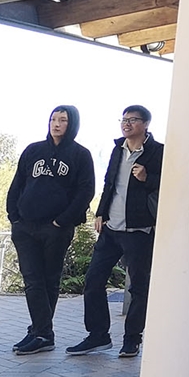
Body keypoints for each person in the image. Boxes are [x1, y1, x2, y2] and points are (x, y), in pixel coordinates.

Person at [66, 105, 163, 358]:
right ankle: (98, 335)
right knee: (94, 281)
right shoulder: (117, 149)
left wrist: (147, 178)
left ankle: (132, 339)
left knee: (138, 287)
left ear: (145, 124)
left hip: (139, 229)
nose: (126, 124)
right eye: (124, 119)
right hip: (111, 228)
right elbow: (110, 182)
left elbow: (170, 184)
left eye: (133, 120)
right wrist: (101, 213)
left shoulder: (158, 152)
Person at [6, 105, 95, 355]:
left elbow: (85, 191)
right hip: (26, 226)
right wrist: (14, 217)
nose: (56, 124)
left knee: (48, 280)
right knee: (32, 279)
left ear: (72, 124)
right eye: (53, 119)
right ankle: (41, 331)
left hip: (56, 228)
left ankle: (41, 332)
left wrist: (62, 221)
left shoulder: (80, 155)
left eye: (63, 120)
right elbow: (17, 185)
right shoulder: (33, 150)